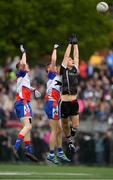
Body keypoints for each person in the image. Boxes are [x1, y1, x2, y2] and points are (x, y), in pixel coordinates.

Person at [13, 45, 40, 162]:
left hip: (21, 103)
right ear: (21, 67)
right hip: (22, 103)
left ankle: (29, 151)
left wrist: (34, 90)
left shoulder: (23, 77)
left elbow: (27, 87)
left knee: (27, 127)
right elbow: (23, 62)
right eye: (25, 65)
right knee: (28, 126)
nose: (27, 65)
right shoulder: (22, 73)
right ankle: (15, 147)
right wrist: (24, 52)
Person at [44, 44, 70, 164]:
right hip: (52, 103)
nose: (54, 66)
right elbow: (54, 60)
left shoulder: (56, 77)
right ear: (49, 69)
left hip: (53, 104)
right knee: (55, 130)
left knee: (59, 129)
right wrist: (54, 49)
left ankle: (59, 151)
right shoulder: (52, 75)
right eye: (52, 67)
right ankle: (51, 154)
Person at [60, 34, 79, 154]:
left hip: (74, 101)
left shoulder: (75, 69)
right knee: (65, 124)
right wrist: (70, 44)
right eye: (70, 60)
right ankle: (70, 142)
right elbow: (67, 56)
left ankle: (71, 139)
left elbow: (76, 55)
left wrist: (76, 44)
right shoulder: (63, 69)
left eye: (72, 60)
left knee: (75, 125)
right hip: (65, 102)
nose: (71, 60)